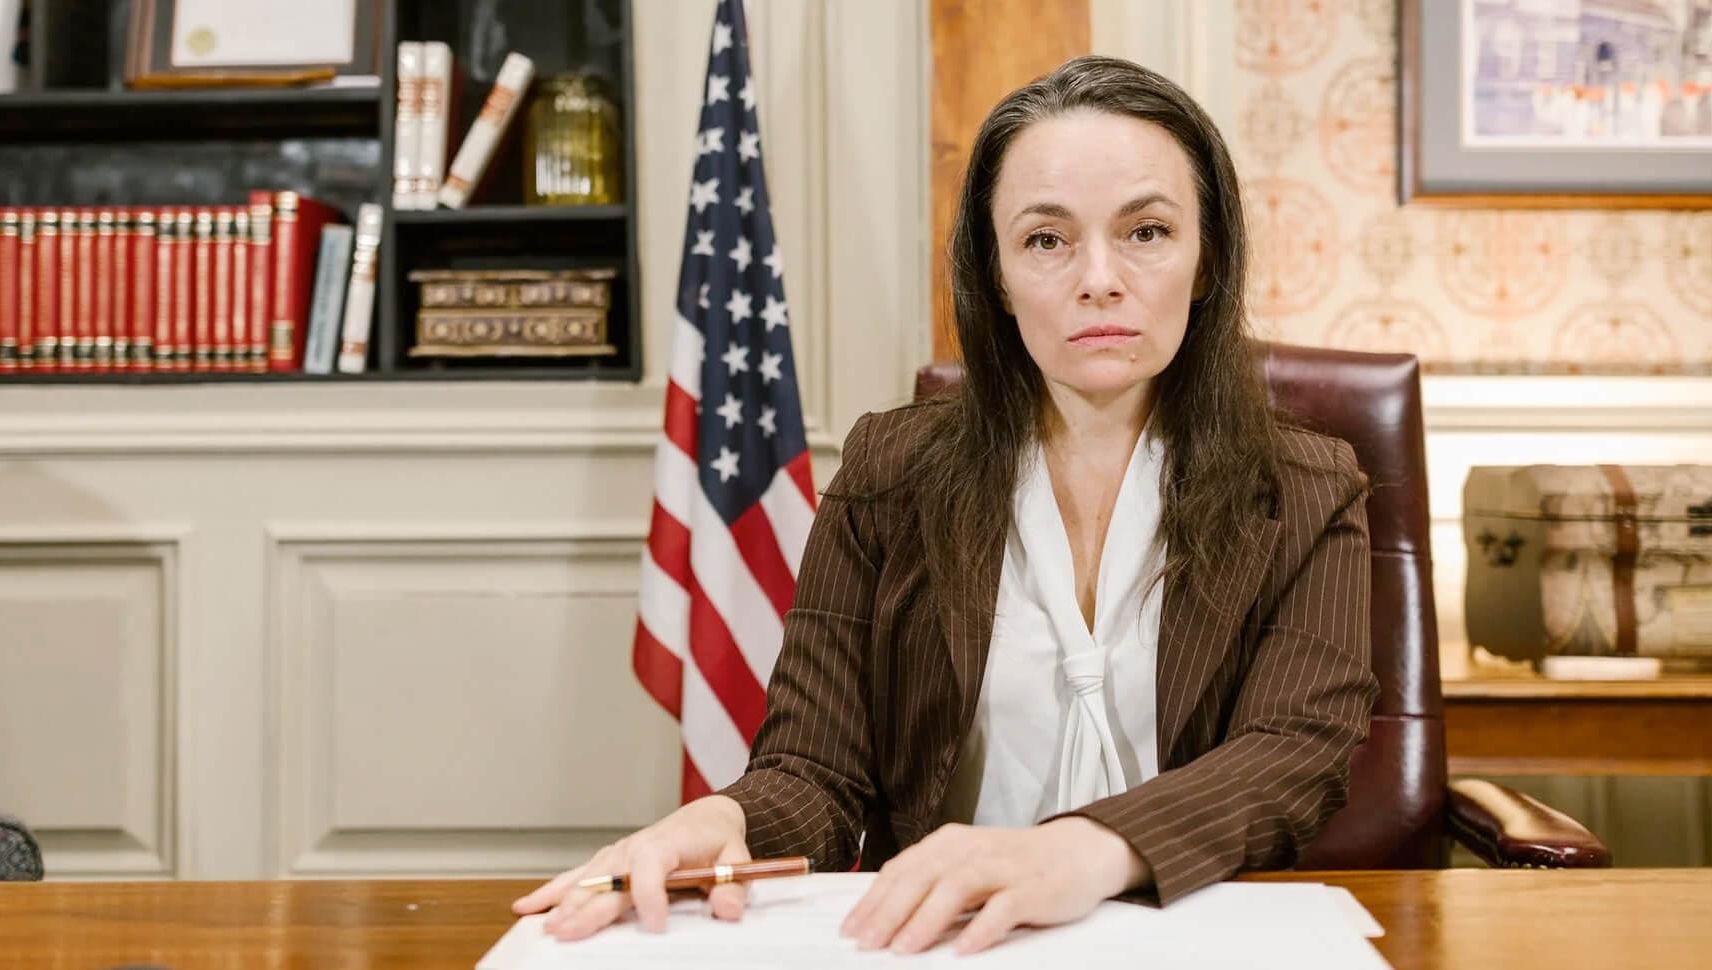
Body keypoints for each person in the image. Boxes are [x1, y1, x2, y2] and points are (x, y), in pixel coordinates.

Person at [514, 54, 1378, 956]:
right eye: (1046, 240)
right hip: (948, 940)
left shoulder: (1308, 487)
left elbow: (1291, 757)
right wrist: (725, 819)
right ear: (996, 275)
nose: (1099, 277)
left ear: (1207, 260)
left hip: (1193, 939)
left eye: (1147, 231)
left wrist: (1080, 852)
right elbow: (814, 773)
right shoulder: (890, 471)